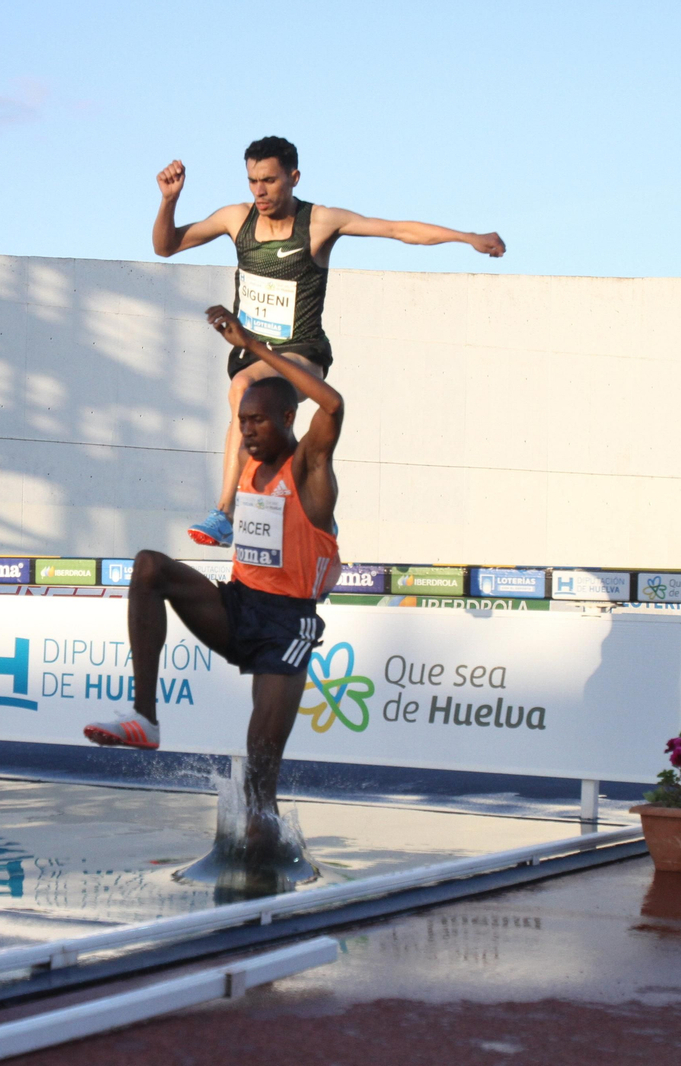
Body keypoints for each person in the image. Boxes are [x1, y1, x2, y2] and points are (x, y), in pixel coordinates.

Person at [151, 135, 505, 546]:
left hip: (302, 357)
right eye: (252, 181)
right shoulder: (236, 219)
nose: (259, 191)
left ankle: (225, 512)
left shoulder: (320, 223)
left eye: (269, 180)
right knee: (257, 421)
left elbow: (396, 230)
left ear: (294, 177)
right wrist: (169, 200)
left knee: (243, 390)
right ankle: (316, 502)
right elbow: (165, 246)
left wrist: (468, 237)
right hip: (252, 354)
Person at [83, 303, 345, 848]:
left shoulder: (309, 469)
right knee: (150, 567)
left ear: (288, 420)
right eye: (242, 422)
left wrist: (253, 346)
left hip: (284, 629)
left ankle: (262, 866)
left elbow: (334, 404)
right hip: (238, 605)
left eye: (258, 422)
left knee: (258, 782)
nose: (248, 433)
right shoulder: (249, 463)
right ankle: (145, 717)